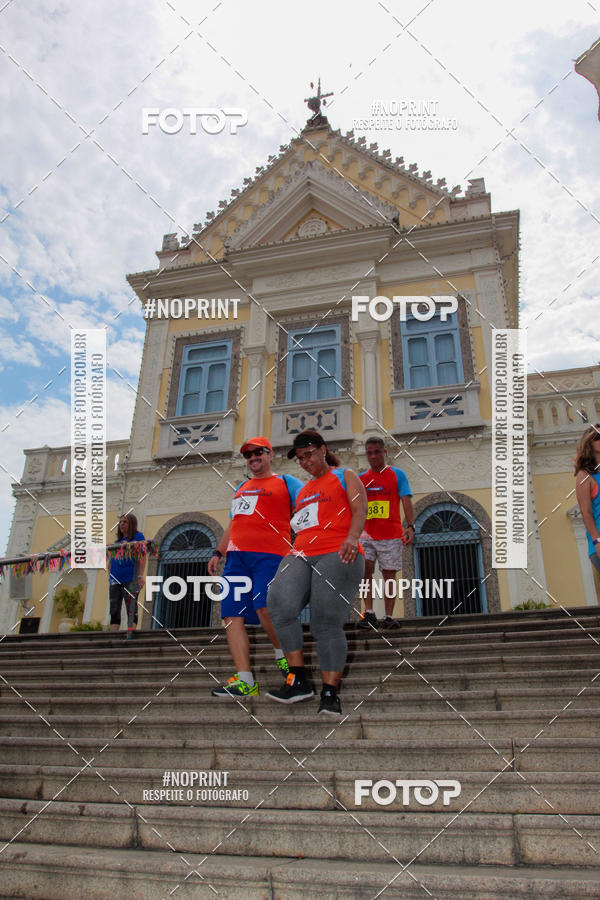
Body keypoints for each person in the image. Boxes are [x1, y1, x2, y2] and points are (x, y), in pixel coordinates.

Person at [266, 429, 367, 717]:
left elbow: (360, 509)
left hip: (338, 549)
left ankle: (330, 692)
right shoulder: (305, 490)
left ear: (323, 449)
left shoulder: (344, 475)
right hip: (302, 551)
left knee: (325, 620)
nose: (305, 461)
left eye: (308, 454)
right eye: (300, 459)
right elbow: (302, 524)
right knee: (279, 602)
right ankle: (297, 679)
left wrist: (352, 537)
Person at [209, 437, 303, 698]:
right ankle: (245, 681)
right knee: (231, 617)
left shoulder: (286, 482)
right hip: (237, 559)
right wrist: (218, 551)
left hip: (271, 556)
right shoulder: (241, 488)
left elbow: (309, 508)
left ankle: (280, 652)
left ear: (270, 454)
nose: (252, 458)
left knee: (264, 608)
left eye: (258, 452)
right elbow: (233, 524)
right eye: (248, 455)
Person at [358, 437, 415, 630]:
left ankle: (389, 616)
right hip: (366, 535)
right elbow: (354, 506)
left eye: (377, 452)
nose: (373, 456)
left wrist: (410, 526)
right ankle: (369, 613)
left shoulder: (397, 474)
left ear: (385, 453)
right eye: (369, 452)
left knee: (389, 575)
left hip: (391, 534)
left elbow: (406, 499)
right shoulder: (361, 479)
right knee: (365, 572)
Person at [109, 513, 146, 640]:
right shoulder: (117, 542)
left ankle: (131, 632)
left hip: (131, 577)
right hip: (115, 578)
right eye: (121, 522)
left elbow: (142, 557)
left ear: (131, 523)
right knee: (114, 606)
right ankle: (113, 634)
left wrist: (140, 576)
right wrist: (110, 575)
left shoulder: (138, 536)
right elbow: (111, 560)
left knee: (130, 604)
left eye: (125, 522)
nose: (122, 524)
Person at [575, 423, 600, 576]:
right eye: (598, 437)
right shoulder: (585, 476)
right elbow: (586, 513)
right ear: (589, 444)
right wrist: (597, 541)